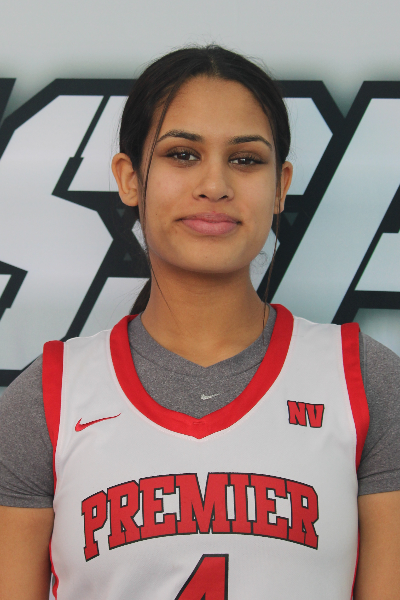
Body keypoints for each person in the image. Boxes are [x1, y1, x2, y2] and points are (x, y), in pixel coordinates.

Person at [0, 45, 399, 600]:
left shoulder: (365, 382)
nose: (215, 185)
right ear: (129, 178)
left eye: (246, 159)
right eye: (183, 154)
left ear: (281, 185)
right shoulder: (47, 398)